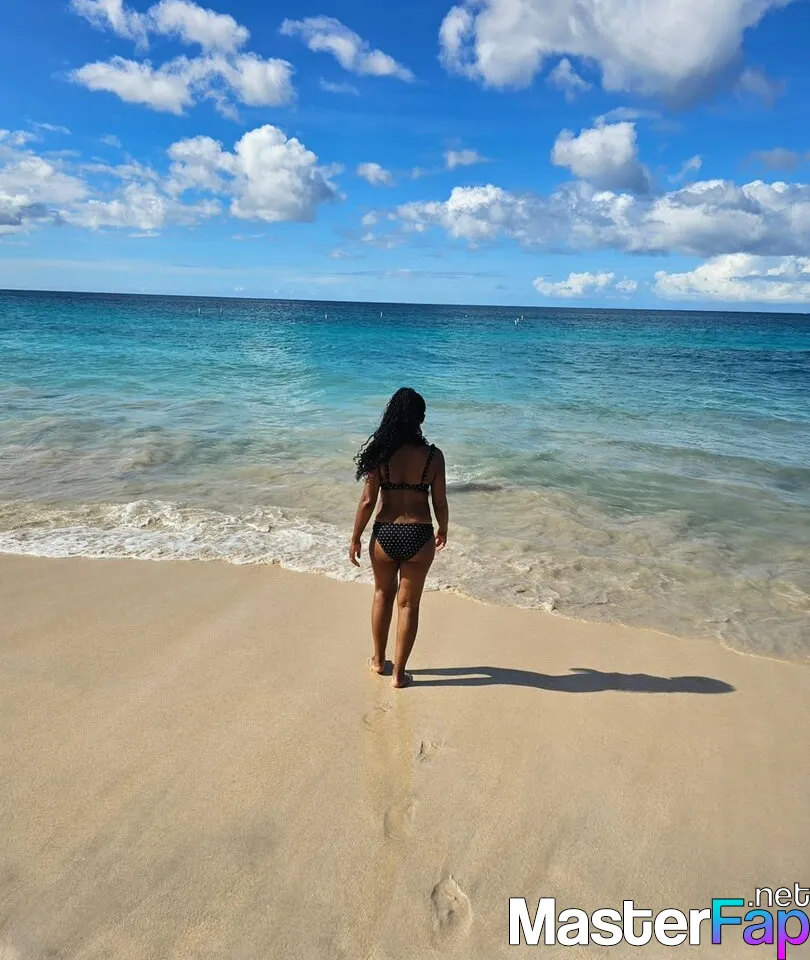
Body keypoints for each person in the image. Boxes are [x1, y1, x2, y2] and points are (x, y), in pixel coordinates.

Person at [349, 388, 449, 689]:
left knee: (382, 594)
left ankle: (379, 661)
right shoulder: (433, 456)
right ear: (420, 418)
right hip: (419, 533)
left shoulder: (380, 454)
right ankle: (399, 675)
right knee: (409, 605)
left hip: (385, 532)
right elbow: (440, 502)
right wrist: (443, 528)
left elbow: (368, 501)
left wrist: (355, 537)